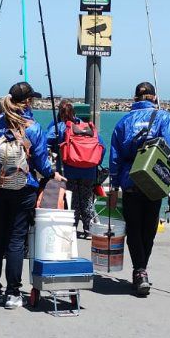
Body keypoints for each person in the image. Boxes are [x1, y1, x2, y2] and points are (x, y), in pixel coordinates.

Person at [0, 82, 65, 309]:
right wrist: (53, 173)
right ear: (28, 102)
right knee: (16, 241)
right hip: (23, 189)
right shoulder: (33, 127)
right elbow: (43, 163)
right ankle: (13, 293)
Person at [108, 81, 170, 297]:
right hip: (154, 179)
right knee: (148, 229)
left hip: (131, 181)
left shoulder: (123, 122)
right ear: (154, 97)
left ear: (135, 98)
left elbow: (115, 157)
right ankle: (141, 270)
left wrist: (113, 185)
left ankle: (139, 271)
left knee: (134, 229)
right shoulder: (163, 117)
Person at [46, 100, 104, 238]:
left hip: (69, 169)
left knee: (71, 199)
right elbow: (102, 146)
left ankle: (71, 227)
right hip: (89, 169)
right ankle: (89, 229)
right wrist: (94, 162)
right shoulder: (87, 127)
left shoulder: (60, 127)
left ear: (60, 112)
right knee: (86, 198)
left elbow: (45, 141)